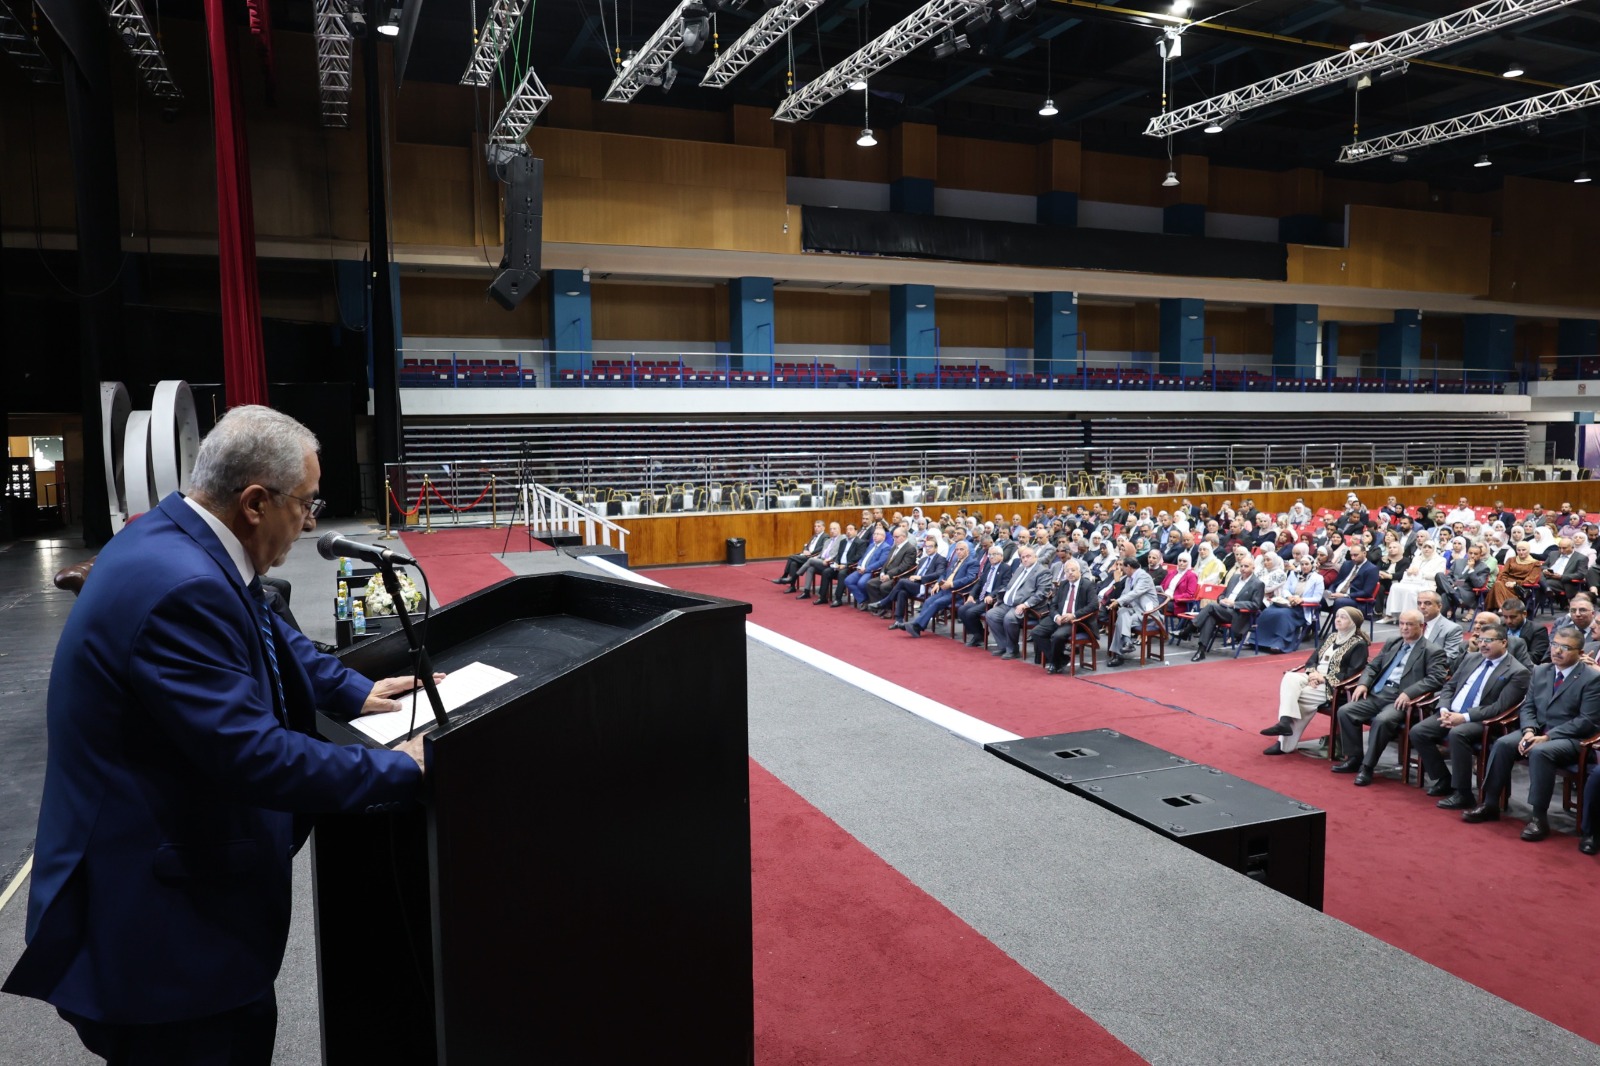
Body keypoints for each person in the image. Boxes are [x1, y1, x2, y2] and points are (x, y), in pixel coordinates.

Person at [3, 406, 432, 1063]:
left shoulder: (176, 536)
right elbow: (252, 756)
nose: (312, 521)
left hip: (169, 918)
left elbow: (265, 624)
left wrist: (350, 689)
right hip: (165, 947)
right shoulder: (181, 586)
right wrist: (404, 767)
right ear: (255, 502)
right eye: (306, 503)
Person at [1463, 626, 1600, 841]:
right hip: (1535, 730)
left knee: (1541, 752)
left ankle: (1538, 818)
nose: (1557, 651)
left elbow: (1587, 721)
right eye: (1554, 644)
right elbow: (1527, 707)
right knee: (1502, 744)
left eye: (1565, 647)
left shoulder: (1591, 679)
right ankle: (1489, 803)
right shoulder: (1541, 671)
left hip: (1570, 739)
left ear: (1580, 653)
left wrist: (1547, 737)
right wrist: (1528, 730)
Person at [1406, 621, 1530, 808]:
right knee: (1418, 731)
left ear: (1504, 642)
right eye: (1480, 640)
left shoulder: (1517, 671)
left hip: (1483, 720)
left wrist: (1463, 717)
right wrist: (1444, 708)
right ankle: (1443, 779)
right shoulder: (1472, 658)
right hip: (1451, 712)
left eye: (1489, 640)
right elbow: (1450, 686)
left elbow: (1499, 707)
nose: (1482, 644)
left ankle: (1463, 793)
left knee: (1458, 734)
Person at [1332, 610, 1448, 786]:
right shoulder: (1393, 642)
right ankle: (1354, 758)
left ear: (1421, 627)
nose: (1404, 628)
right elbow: (1373, 667)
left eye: (1409, 624)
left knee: (1382, 721)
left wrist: (1410, 692)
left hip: (1401, 699)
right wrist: (1363, 683)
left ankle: (1367, 767)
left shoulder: (1432, 651)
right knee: (1346, 711)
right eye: (1401, 623)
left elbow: (1436, 679)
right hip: (1378, 692)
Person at [1260, 606, 1370, 755]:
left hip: (1333, 686)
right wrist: (1313, 674)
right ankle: (1285, 722)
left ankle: (1283, 744)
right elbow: (1312, 660)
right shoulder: (1332, 637)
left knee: (1300, 698)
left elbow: (1353, 673)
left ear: (1353, 622)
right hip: (1315, 677)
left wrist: (1323, 679)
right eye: (1337, 616)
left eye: (1343, 617)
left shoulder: (1359, 644)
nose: (1338, 619)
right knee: (1289, 677)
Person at [985, 545, 1052, 661]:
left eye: (1028, 556)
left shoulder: (1043, 572)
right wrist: (1000, 600)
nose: (1025, 559)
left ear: (1035, 557)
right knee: (991, 615)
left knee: (1009, 618)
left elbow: (1041, 593)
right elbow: (1010, 587)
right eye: (1023, 557)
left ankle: (1012, 650)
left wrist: (1025, 604)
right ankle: (1004, 646)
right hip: (1008, 604)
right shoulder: (1020, 569)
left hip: (1028, 607)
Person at [1256, 555, 1324, 653]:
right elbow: (1285, 589)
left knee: (1283, 615)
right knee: (1268, 611)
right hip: (1288, 603)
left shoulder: (1318, 578)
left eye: (1307, 564)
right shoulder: (1293, 574)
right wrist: (1289, 597)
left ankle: (1278, 644)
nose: (1304, 566)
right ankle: (1258, 641)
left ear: (1312, 565)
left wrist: (1301, 599)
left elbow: (1317, 598)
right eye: (1302, 564)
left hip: (1301, 608)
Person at [1107, 557, 1158, 667]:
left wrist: (1119, 601)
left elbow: (1135, 592)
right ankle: (1127, 643)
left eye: (1123, 567)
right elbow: (1125, 594)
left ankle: (1119, 654)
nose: (1121, 569)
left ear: (1128, 567)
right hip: (1134, 610)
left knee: (1120, 620)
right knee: (1122, 613)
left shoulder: (1144, 577)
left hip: (1147, 613)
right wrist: (1117, 601)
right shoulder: (1129, 578)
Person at [1385, 539, 1444, 622]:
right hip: (1413, 581)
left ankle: (1410, 616)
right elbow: (1410, 569)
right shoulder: (1417, 558)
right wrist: (1410, 571)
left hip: (1428, 583)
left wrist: (1421, 573)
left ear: (1433, 549)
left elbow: (1438, 576)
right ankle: (1392, 615)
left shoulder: (1440, 560)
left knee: (1411, 591)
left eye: (1429, 547)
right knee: (1395, 586)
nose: (1426, 549)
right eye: (1425, 547)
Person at [774, 520, 828, 590]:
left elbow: (822, 548)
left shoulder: (825, 536)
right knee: (793, 563)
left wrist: (811, 553)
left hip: (812, 557)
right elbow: (806, 544)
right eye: (815, 526)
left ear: (823, 528)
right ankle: (792, 587)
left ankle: (784, 576)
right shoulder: (814, 536)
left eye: (818, 526)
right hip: (805, 555)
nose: (816, 528)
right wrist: (805, 550)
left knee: (791, 557)